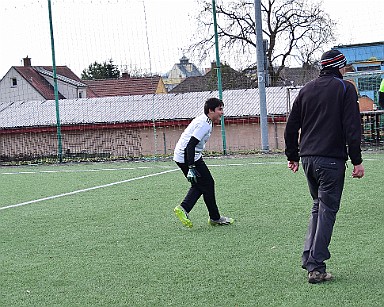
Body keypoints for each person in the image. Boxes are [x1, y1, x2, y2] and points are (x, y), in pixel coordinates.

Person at [284, 49, 365, 284]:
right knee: (327, 210)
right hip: (331, 160)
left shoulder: (306, 89)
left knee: (318, 207)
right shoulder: (345, 88)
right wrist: (357, 160)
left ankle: (310, 257)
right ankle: (316, 267)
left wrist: (293, 155)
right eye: (344, 66)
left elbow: (291, 126)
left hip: (308, 158)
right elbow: (352, 127)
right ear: (339, 67)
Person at [173, 97, 234, 228]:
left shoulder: (206, 121)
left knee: (203, 184)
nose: (222, 112)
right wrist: (191, 167)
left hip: (190, 156)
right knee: (204, 184)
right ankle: (209, 216)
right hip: (186, 156)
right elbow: (190, 145)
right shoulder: (204, 124)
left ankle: (212, 217)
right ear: (211, 110)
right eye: (220, 109)